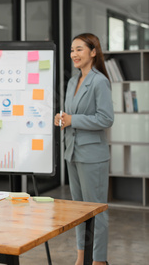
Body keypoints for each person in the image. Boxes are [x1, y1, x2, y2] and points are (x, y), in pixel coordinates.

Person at [54, 33, 114, 265]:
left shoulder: (100, 81)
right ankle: (81, 258)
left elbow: (106, 119)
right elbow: (70, 114)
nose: (74, 55)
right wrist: (61, 119)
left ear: (93, 51)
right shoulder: (72, 82)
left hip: (92, 156)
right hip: (72, 152)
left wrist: (73, 120)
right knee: (79, 211)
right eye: (72, 50)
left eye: (79, 49)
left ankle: (98, 260)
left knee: (96, 211)